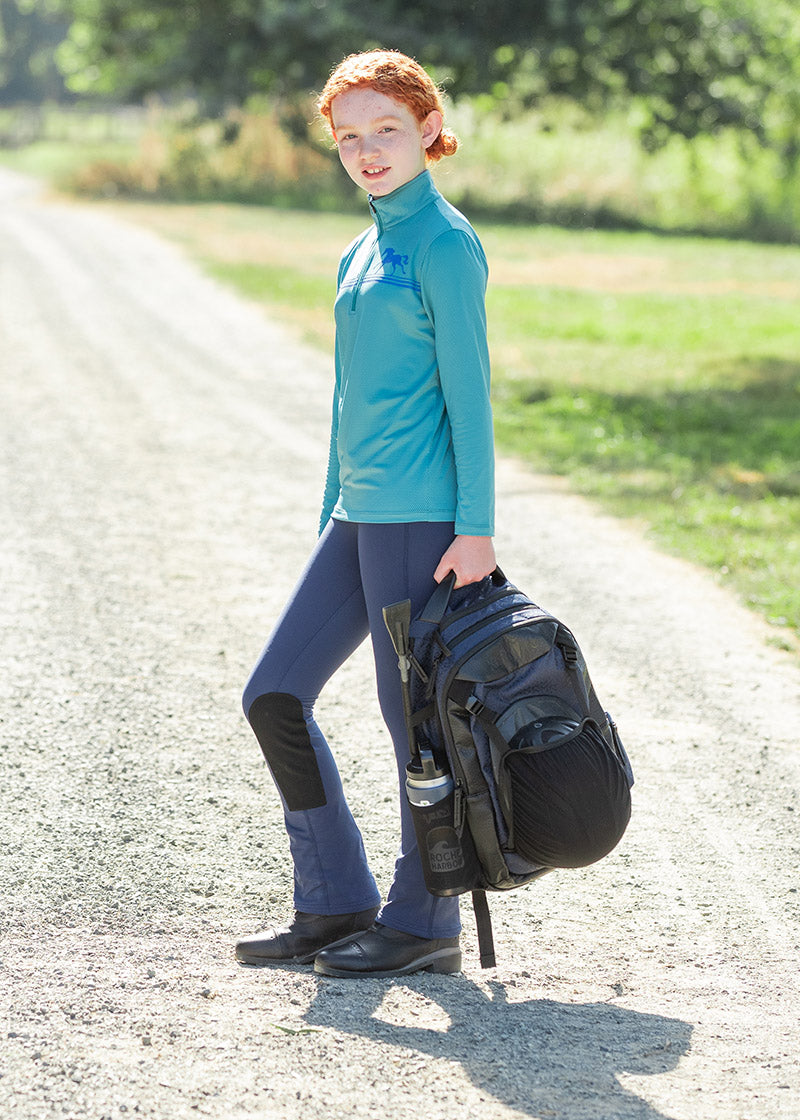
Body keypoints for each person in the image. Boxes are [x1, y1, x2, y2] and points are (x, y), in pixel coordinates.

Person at [235, 49, 496, 978]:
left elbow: (470, 396)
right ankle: (335, 900)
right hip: (357, 515)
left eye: (387, 129)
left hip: (424, 523)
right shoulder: (362, 245)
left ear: (428, 128)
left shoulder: (443, 243)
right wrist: (327, 508)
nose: (367, 150)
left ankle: (425, 921)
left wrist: (477, 527)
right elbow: (350, 397)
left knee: (410, 716)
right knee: (272, 695)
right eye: (349, 136)